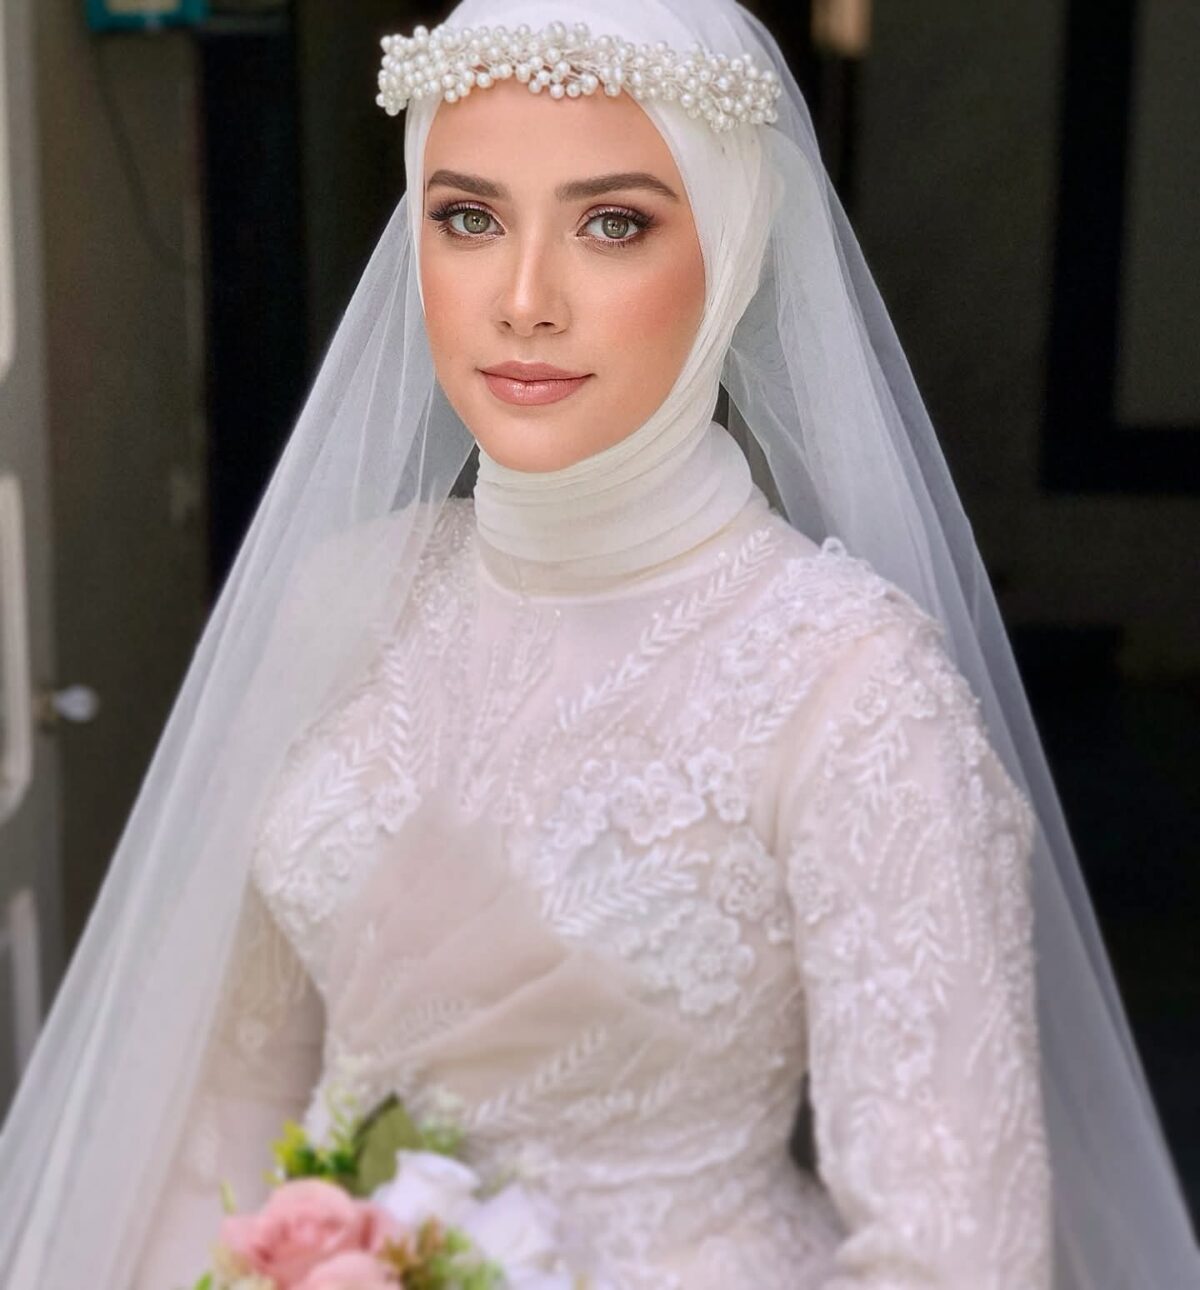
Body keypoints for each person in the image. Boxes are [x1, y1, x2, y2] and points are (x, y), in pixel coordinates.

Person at [3, 1, 1197, 1287]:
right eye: (469, 219)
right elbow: (231, 1105)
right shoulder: (343, 595)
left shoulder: (855, 691)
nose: (523, 301)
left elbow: (952, 1258)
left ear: (732, 248)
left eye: (613, 224)